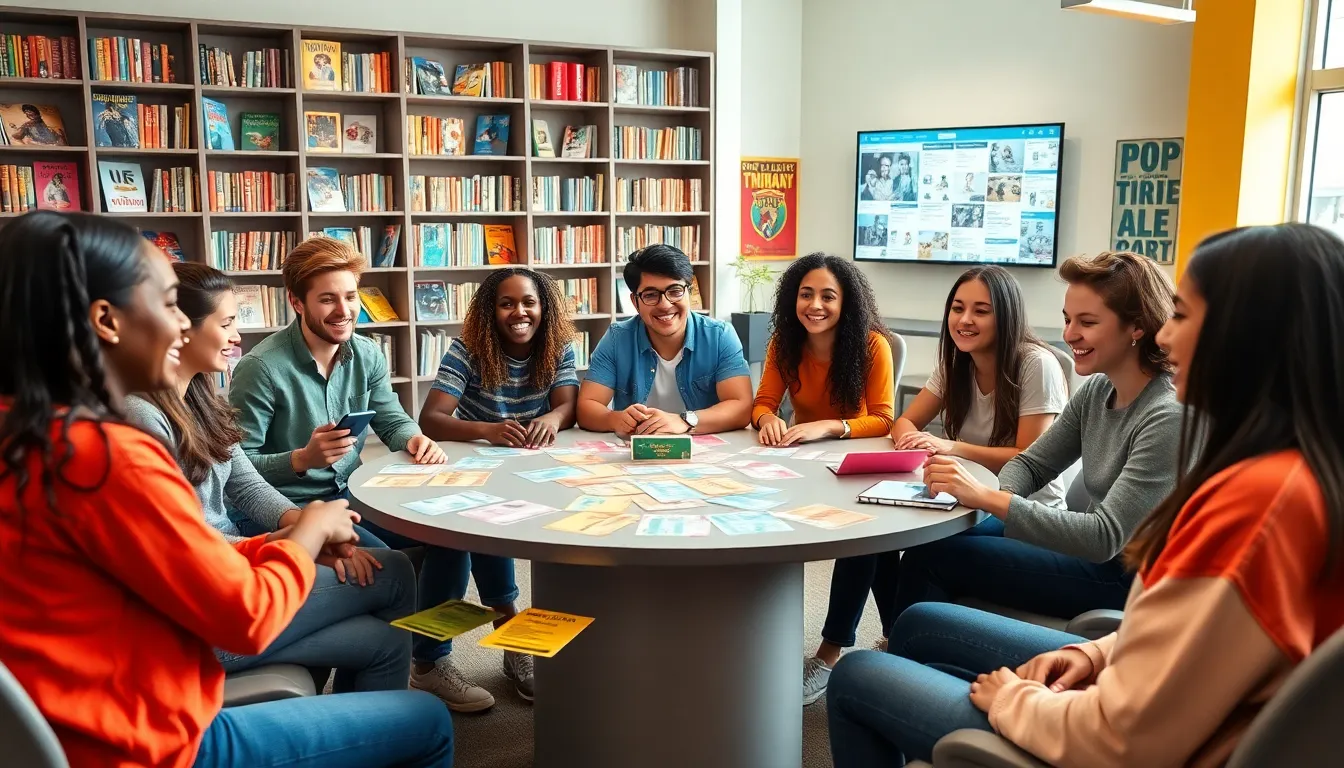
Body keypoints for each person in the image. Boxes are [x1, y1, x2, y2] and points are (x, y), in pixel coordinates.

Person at [827, 222, 1344, 767]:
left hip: (1098, 727)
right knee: (917, 622)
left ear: (1247, 334)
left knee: (860, 674)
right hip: (1117, 675)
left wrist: (1016, 700)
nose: (1168, 336)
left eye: (1185, 316)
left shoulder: (1253, 506)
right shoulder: (1291, 474)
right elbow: (1200, 644)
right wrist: (1095, 651)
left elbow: (1126, 736)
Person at [0, 211, 452, 767]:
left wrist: (290, 531)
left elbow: (227, 503)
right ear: (106, 320)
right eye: (169, 305)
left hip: (101, 699)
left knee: (381, 638)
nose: (181, 328)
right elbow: (241, 613)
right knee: (427, 718)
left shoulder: (32, 432)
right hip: (147, 730)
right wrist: (305, 531)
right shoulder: (109, 451)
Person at [228, 237, 525, 712]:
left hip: (349, 495)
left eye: (350, 296)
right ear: (296, 302)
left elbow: (389, 416)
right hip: (284, 511)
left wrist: (413, 439)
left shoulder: (365, 353)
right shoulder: (260, 368)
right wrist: (300, 459)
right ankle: (388, 680)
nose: (343, 309)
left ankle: (428, 662)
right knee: (393, 569)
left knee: (452, 532)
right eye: (327, 298)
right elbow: (234, 471)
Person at [124, 262, 417, 694]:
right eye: (225, 323)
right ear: (177, 327)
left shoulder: (202, 395)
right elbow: (182, 547)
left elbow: (245, 483)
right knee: (393, 574)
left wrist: (301, 525)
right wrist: (300, 540)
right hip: (206, 610)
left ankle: (337, 727)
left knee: (386, 642)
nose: (237, 336)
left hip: (233, 570)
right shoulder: (142, 418)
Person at [801, 265, 1068, 705]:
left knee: (918, 547)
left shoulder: (1035, 364)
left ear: (1007, 317)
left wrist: (951, 447)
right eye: (958, 308)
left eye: (981, 311)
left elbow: (1031, 458)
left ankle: (884, 650)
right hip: (963, 494)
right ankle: (877, 645)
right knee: (873, 526)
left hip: (1018, 507)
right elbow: (905, 418)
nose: (965, 320)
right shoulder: (956, 362)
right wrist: (911, 436)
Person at [890, 250, 1182, 628]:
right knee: (926, 541)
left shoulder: (1166, 414)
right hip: (1088, 551)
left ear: (1137, 327)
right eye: (1067, 319)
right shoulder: (1097, 390)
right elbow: (1032, 463)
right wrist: (998, 499)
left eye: (1087, 322)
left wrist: (985, 497)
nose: (1068, 334)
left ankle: (906, 652)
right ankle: (912, 649)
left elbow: (1103, 537)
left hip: (1122, 578)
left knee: (931, 559)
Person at [577, 243, 752, 437]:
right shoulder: (617, 339)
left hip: (703, 452)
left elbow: (741, 407)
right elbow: (586, 407)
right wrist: (616, 419)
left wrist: (684, 420)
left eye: (675, 291)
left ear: (690, 293)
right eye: (651, 295)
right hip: (634, 453)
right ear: (635, 302)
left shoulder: (720, 336)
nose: (665, 304)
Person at [752, 252, 895, 448]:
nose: (815, 305)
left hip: (856, 447)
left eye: (827, 297)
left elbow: (883, 420)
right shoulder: (782, 343)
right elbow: (762, 405)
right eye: (806, 295)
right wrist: (767, 420)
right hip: (801, 449)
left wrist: (826, 427)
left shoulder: (873, 345)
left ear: (846, 304)